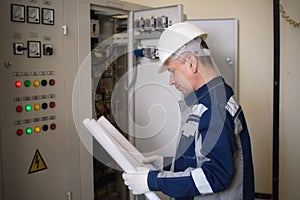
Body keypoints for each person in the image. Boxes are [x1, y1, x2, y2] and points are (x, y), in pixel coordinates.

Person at [122, 22, 255, 200]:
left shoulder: (214, 107)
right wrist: (166, 164)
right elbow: (201, 156)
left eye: (172, 71)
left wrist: (153, 181)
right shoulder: (209, 98)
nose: (171, 80)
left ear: (191, 63)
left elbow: (214, 176)